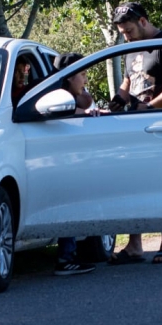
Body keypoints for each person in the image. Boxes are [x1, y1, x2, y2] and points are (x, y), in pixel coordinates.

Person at [107, 1, 162, 266]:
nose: (126, 37)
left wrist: (151, 106)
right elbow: (130, 79)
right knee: (135, 184)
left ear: (142, 21)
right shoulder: (132, 47)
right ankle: (135, 246)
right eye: (122, 33)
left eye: (128, 30)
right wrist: (119, 97)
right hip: (135, 125)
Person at [50, 52, 99, 276]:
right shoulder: (56, 97)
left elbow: (83, 103)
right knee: (67, 202)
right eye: (82, 74)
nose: (86, 80)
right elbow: (66, 110)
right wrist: (85, 112)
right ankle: (66, 256)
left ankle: (73, 252)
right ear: (69, 77)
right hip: (56, 165)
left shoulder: (73, 96)